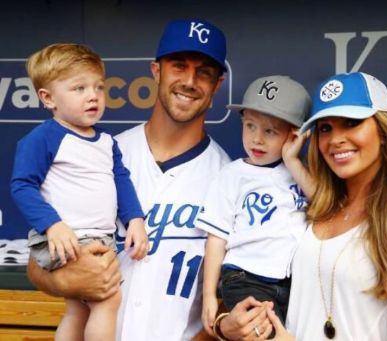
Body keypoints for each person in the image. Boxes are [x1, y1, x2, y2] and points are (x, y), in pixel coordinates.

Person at [26, 19, 231, 341]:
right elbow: (38, 262)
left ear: (217, 84)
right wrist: (62, 282)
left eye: (204, 71)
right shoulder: (99, 153)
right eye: (179, 65)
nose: (190, 80)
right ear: (156, 70)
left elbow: (225, 297)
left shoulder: (229, 178)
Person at [215, 72, 387, 340]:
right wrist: (226, 326)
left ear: (384, 132)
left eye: (352, 123)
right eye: (325, 128)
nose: (336, 139)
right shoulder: (314, 207)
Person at [10, 43, 148, 341]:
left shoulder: (106, 142)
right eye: (79, 88)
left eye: (98, 87)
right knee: (108, 299)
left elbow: (121, 181)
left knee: (78, 308)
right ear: (48, 98)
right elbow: (22, 185)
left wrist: (135, 218)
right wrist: (52, 224)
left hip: (100, 237)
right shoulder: (44, 137)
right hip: (68, 237)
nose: (93, 96)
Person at [197, 75, 314, 338]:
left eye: (270, 131)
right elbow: (216, 239)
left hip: (292, 283)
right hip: (246, 277)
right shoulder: (232, 174)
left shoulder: (302, 172)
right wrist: (209, 295)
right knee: (260, 334)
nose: (257, 139)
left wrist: (293, 161)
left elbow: (323, 203)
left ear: (295, 134)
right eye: (250, 126)